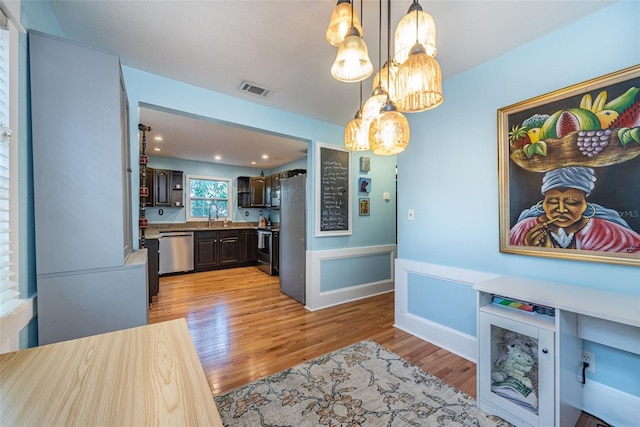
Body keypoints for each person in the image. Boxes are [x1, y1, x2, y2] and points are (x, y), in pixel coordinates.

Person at [509, 167, 640, 253]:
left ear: (585, 204)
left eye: (572, 202)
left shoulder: (611, 233)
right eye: (553, 201)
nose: (561, 209)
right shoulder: (523, 229)